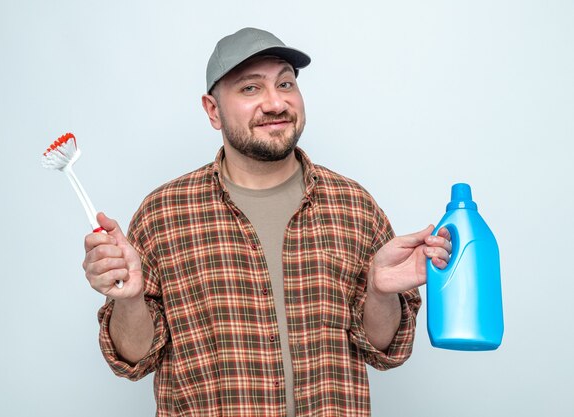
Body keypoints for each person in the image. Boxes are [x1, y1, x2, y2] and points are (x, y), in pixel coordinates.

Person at [83, 27, 451, 417]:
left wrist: (379, 294)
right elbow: (134, 359)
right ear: (212, 110)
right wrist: (130, 301)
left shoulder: (354, 206)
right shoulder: (164, 214)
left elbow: (384, 351)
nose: (276, 103)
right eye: (250, 89)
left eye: (286, 83)